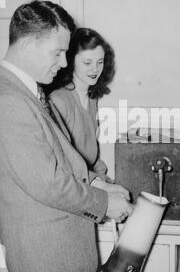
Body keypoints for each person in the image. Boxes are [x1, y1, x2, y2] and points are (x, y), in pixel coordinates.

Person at [0, 0, 133, 272]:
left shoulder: (26, 92)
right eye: (58, 53)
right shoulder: (9, 99)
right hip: (45, 259)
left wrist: (98, 182)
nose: (64, 63)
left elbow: (64, 158)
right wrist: (104, 203)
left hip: (55, 256)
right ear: (29, 44)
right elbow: (47, 182)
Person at [49, 27, 128, 197]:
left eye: (100, 62)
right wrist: (100, 185)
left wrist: (104, 177)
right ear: (71, 61)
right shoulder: (59, 100)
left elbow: (90, 154)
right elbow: (62, 164)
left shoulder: (92, 98)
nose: (95, 69)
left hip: (89, 180)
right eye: (87, 63)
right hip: (73, 188)